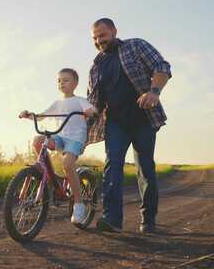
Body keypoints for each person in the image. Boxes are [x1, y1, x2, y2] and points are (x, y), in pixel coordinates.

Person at [86, 18, 172, 234]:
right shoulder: (96, 67)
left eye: (102, 35)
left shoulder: (135, 46)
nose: (99, 41)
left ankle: (148, 220)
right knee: (112, 165)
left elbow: (162, 67)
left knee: (145, 168)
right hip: (115, 123)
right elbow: (94, 103)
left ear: (114, 31)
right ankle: (112, 220)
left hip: (143, 119)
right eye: (95, 38)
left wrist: (154, 92)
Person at [20, 68, 95, 224]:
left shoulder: (79, 100)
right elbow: (41, 116)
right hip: (60, 137)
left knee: (68, 164)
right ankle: (45, 170)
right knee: (38, 139)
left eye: (66, 80)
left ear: (75, 83)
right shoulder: (57, 103)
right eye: (59, 81)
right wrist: (30, 115)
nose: (62, 83)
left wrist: (89, 112)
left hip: (75, 139)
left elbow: (91, 109)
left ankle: (79, 204)